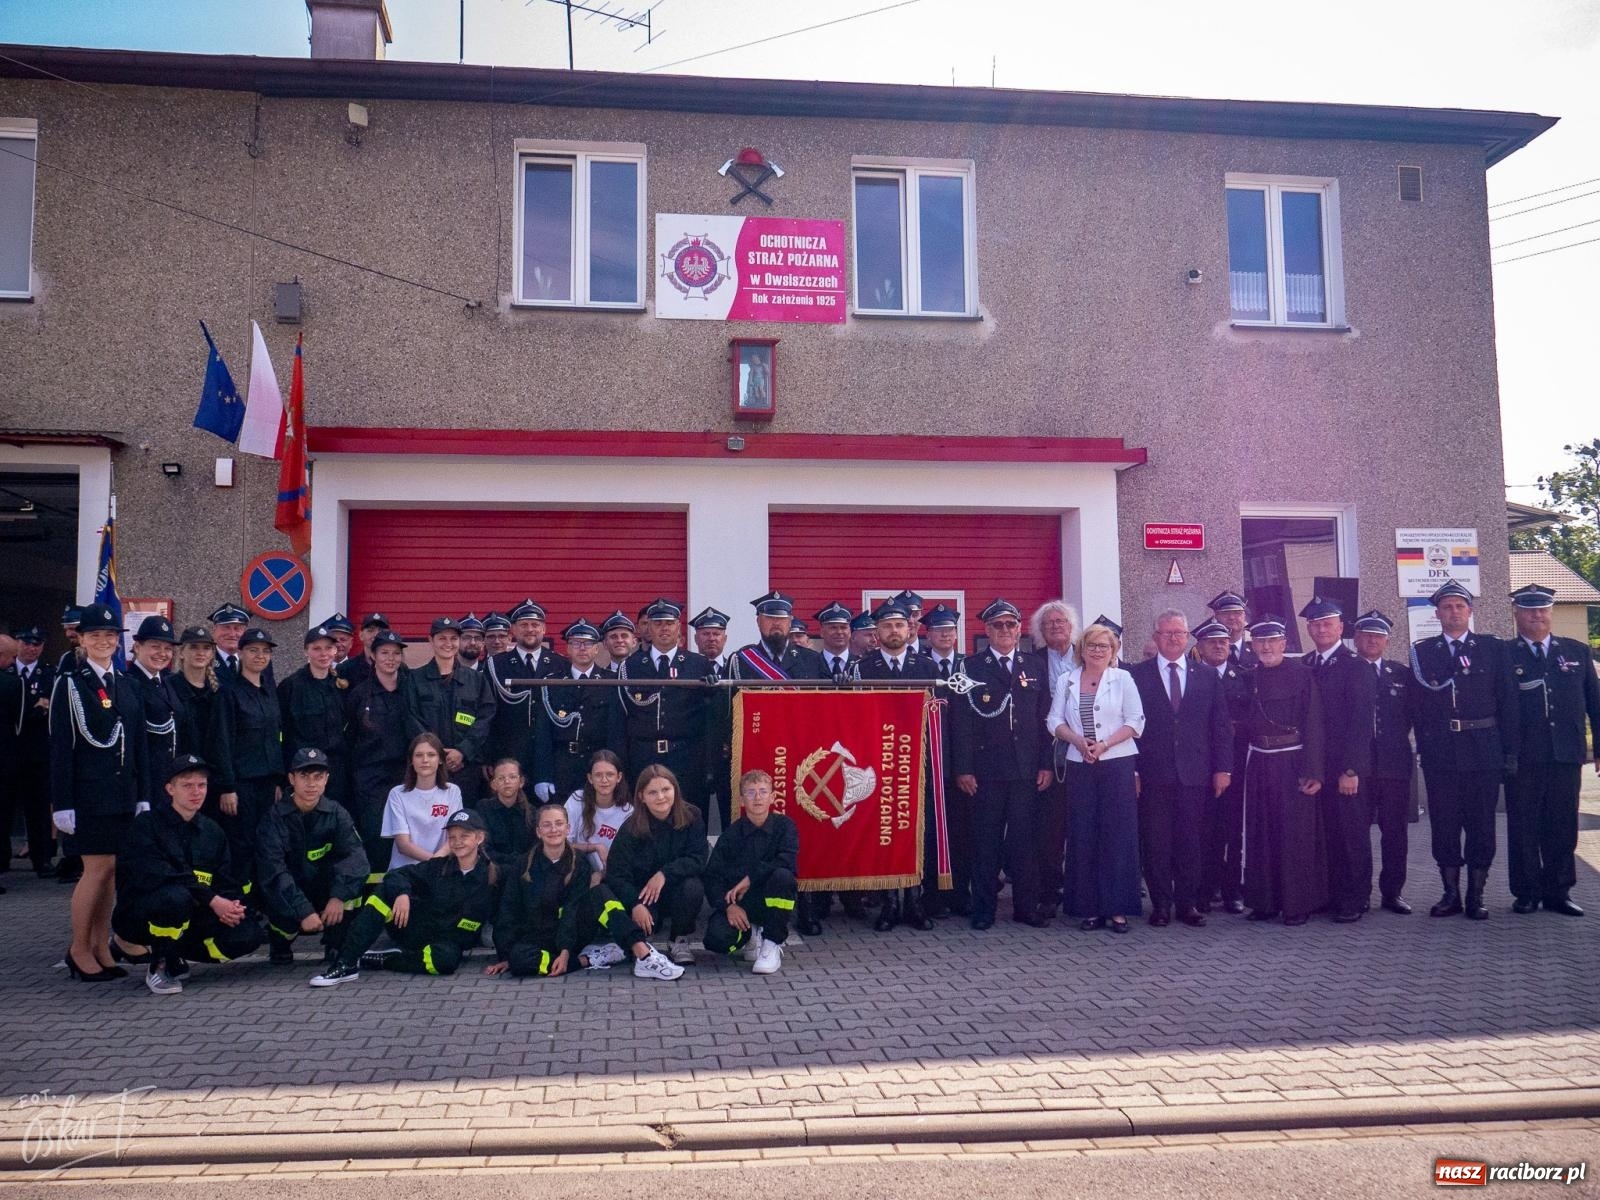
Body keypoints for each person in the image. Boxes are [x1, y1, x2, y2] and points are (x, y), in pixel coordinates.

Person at [50, 602, 150, 982]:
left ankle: (98, 946)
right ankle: (78, 948)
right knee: (95, 871)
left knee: (111, 874)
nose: (104, 642)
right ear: (82, 640)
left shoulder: (126, 685)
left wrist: (142, 794)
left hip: (123, 793)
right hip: (89, 795)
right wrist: (63, 803)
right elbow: (61, 747)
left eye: (110, 636)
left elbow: (137, 743)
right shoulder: (71, 685)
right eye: (96, 636)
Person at [1408, 579, 1518, 921]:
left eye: (1459, 606)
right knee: (1444, 824)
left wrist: (1509, 753)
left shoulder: (1493, 648)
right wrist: (1425, 749)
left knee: (1481, 824)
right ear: (1437, 614)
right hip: (1441, 754)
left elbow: (1508, 703)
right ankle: (1450, 893)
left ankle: (1476, 894)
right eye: (1447, 607)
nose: (1453, 612)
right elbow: (1416, 707)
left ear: (1470, 612)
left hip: (1483, 750)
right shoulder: (1423, 651)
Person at [112, 754, 264, 994]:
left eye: (201, 785)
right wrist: (213, 900)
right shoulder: (147, 825)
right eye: (187, 785)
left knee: (249, 933)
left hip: (194, 913)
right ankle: (159, 965)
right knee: (175, 898)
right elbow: (163, 876)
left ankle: (175, 953)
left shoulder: (213, 832)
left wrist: (232, 907)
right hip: (141, 914)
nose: (196, 792)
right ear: (170, 789)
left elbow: (225, 881)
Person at [484, 802, 683, 981]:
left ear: (568, 828)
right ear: (538, 831)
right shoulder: (523, 865)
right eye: (547, 824)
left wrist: (564, 950)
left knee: (600, 893)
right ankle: (586, 960)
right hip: (535, 939)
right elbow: (508, 911)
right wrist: (505, 956)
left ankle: (643, 953)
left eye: (559, 823)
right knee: (518, 961)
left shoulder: (578, 862)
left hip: (571, 935)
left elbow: (571, 910)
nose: (553, 829)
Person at [951, 599, 1053, 931]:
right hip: (986, 771)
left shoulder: (1034, 665)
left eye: (1011, 624)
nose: (1005, 630)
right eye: (998, 625)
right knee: (985, 842)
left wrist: (1046, 765)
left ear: (1020, 629)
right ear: (987, 630)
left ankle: (1026, 907)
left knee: (1025, 842)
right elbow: (961, 723)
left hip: (1026, 771)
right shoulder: (970, 667)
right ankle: (983, 909)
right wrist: (963, 768)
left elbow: (1043, 720)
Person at [309, 808, 497, 985]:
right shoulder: (437, 866)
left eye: (464, 836)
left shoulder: (494, 875)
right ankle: (346, 962)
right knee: (384, 892)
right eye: (453, 837)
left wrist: (505, 956)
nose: (457, 842)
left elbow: (507, 912)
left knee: (444, 963)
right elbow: (396, 875)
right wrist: (402, 894)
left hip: (448, 942)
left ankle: (388, 959)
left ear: (479, 838)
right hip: (416, 931)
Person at [1128, 609, 1232, 928]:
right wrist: (1132, 770)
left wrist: (1223, 769)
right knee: (1156, 842)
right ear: (1156, 637)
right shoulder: (1137, 675)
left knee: (1191, 841)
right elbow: (1129, 725)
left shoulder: (1206, 675)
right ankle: (1161, 905)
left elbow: (1220, 726)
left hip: (1195, 774)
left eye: (1179, 634)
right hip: (1152, 774)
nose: (1173, 639)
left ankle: (1188, 904)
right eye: (1167, 633)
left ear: (1188, 638)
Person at [1504, 584, 1600, 917]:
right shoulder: (1505, 655)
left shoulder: (1576, 651)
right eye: (1530, 610)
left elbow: (1595, 704)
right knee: (1524, 827)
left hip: (1566, 754)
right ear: (1517, 614)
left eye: (1543, 609)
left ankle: (1559, 892)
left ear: (1551, 612)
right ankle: (1527, 892)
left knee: (1562, 826)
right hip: (1523, 758)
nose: (1537, 616)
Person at [1047, 619, 1144, 932]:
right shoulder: (1067, 680)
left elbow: (1135, 722)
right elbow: (1054, 720)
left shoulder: (1123, 678)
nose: (1098, 650)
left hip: (1116, 763)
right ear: (1082, 650)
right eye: (1092, 645)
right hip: (1080, 763)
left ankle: (1117, 909)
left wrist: (1103, 745)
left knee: (1117, 836)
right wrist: (1078, 741)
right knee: (1083, 835)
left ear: (1113, 650)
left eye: (1104, 645)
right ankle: (1088, 908)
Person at [854, 597, 941, 931]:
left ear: (911, 629)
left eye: (900, 624)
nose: (894, 630)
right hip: (880, 763)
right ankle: (889, 903)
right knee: (885, 833)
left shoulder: (928, 668)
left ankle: (915, 902)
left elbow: (940, 722)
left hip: (918, 764)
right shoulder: (863, 669)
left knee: (918, 832)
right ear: (877, 632)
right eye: (887, 625)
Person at [1239, 617, 1327, 925]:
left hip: (1293, 763)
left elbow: (1314, 723)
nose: (1265, 647)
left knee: (1295, 838)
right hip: (1260, 762)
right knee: (1261, 834)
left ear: (1283, 643)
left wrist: (1314, 771)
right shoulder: (1249, 677)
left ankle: (1296, 905)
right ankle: (1264, 902)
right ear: (1253, 646)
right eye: (1259, 642)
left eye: (1271, 641)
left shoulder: (1303, 675)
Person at [1298, 596, 1376, 923]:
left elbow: (1360, 724)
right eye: (1315, 624)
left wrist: (1351, 770)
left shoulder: (1356, 666)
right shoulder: (1305, 665)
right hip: (1316, 768)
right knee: (1324, 835)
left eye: (1327, 623)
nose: (1321, 629)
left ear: (1341, 627)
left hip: (1344, 767)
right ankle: (1328, 895)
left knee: (1350, 834)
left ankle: (1354, 899)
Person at [255, 747, 369, 966]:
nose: (311, 784)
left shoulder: (337, 813)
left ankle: (336, 943)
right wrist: (304, 911)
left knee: (351, 886)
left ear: (326, 780)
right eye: (304, 776)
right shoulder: (274, 818)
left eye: (318, 777)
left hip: (323, 892)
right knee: (274, 892)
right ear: (291, 779)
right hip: (290, 890)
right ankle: (281, 941)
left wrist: (338, 896)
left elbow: (356, 858)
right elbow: (274, 871)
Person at [611, 599, 716, 823]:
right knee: (645, 821)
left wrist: (708, 765)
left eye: (669, 623)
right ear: (648, 628)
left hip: (687, 757)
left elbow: (710, 721)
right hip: (643, 756)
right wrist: (622, 766)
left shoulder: (698, 665)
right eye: (658, 623)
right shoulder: (630, 666)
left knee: (689, 818)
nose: (664, 628)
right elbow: (620, 720)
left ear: (679, 626)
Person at [603, 764, 707, 966]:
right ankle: (644, 938)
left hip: (677, 889)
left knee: (693, 887)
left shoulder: (693, 816)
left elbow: (698, 858)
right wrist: (635, 904)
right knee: (643, 927)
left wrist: (664, 874)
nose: (660, 797)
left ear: (675, 790)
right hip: (643, 895)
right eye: (653, 792)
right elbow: (616, 874)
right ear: (641, 796)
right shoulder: (630, 828)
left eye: (666, 790)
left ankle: (679, 939)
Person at [1350, 610, 1416, 914]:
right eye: (1366, 635)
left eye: (1378, 636)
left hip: (1394, 766)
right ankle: (1359, 892)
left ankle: (1392, 892)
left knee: (1395, 833)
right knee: (1356, 834)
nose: (1372, 640)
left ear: (1387, 641)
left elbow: (1416, 717)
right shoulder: (1345, 672)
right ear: (1356, 639)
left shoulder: (1401, 674)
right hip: (1358, 769)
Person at [703, 769, 799, 974]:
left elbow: (787, 860)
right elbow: (712, 877)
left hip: (771, 901)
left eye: (763, 791)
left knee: (783, 876)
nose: (757, 798)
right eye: (750, 792)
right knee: (716, 940)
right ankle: (750, 934)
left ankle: (772, 943)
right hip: (742, 905)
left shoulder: (785, 826)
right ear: (741, 800)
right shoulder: (731, 834)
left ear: (773, 797)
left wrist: (750, 878)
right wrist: (728, 906)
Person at [213, 628, 282, 884]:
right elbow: (222, 742)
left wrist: (278, 780)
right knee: (241, 848)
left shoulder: (269, 693)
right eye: (253, 650)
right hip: (241, 785)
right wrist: (227, 786)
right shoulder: (228, 693)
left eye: (265, 651)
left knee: (265, 845)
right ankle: (239, 909)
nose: (260, 656)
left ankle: (259, 905)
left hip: (267, 784)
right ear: (240, 653)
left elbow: (276, 739)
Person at [1191, 618, 1250, 914]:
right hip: (1200, 766)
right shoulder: (1193, 676)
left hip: (1236, 767)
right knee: (1204, 830)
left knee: (1233, 832)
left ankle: (1232, 890)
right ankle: (1206, 887)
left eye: (1224, 641)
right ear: (1200, 646)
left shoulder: (1244, 677)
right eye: (1212, 642)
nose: (1218, 646)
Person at [404, 616, 496, 806]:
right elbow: (411, 717)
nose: (448, 643)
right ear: (431, 641)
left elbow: (485, 719)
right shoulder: (415, 679)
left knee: (464, 823)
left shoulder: (476, 680)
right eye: (442, 638)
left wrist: (463, 751)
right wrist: (436, 754)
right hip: (428, 768)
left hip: (467, 768)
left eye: (453, 639)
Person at [345, 628, 411, 887]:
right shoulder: (359, 695)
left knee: (406, 837)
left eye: (396, 653)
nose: (391, 659)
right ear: (372, 655)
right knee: (375, 837)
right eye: (384, 653)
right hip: (370, 779)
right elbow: (349, 738)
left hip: (405, 776)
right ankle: (374, 897)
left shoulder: (410, 690)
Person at [532, 618, 621, 808]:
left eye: (588, 643)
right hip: (562, 766)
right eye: (576, 643)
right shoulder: (552, 682)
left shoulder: (611, 682)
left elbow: (615, 732)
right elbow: (543, 734)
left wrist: (614, 769)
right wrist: (543, 775)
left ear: (597, 649)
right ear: (568, 649)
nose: (582, 648)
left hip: (598, 765)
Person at [1029, 601, 1079, 915]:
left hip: (1086, 753)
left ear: (1072, 626)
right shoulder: (1031, 663)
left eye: (1061, 621)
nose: (1056, 626)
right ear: (1040, 631)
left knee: (1083, 825)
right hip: (1048, 757)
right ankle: (1050, 889)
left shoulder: (1090, 656)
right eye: (1049, 623)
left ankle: (1081, 889)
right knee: (1049, 828)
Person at [920, 603, 970, 917]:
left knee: (962, 831)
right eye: (939, 630)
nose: (945, 635)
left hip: (962, 764)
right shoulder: (921, 667)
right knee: (929, 832)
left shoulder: (969, 666)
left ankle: (960, 893)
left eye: (950, 630)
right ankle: (933, 896)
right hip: (928, 764)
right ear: (928, 634)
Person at [486, 600, 567, 782]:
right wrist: (488, 756)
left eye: (535, 625)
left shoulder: (561, 664)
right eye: (524, 625)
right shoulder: (496, 665)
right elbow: (488, 713)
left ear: (544, 629)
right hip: (509, 753)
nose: (530, 629)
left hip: (551, 754)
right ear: (513, 630)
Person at [278, 623, 349, 812]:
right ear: (306, 651)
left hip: (336, 772)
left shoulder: (341, 686)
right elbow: (281, 734)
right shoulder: (290, 686)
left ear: (335, 651)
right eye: (316, 648)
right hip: (304, 772)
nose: (323, 653)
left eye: (328, 648)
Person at [10, 625, 57, 878]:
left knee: (38, 809)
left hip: (37, 754)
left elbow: (50, 709)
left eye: (37, 644)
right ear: (17, 643)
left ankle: (43, 859)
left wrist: (37, 710)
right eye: (27, 643)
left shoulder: (49, 675)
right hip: (8, 753)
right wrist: (35, 707)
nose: (32, 648)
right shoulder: (6, 670)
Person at [381, 732, 462, 869]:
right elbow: (403, 845)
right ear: (411, 761)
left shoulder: (453, 792)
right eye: (419, 755)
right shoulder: (397, 794)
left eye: (431, 755)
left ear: (441, 760)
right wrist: (433, 863)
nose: (425, 760)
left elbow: (454, 837)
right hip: (404, 872)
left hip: (441, 871)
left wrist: (436, 866)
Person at [124, 616, 180, 814]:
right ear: (137, 647)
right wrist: (142, 793)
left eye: (167, 648)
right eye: (155, 646)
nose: (162, 654)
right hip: (144, 783)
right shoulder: (128, 683)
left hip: (168, 780)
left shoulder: (166, 681)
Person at [165, 626, 232, 783]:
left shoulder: (219, 691)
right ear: (181, 652)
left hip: (213, 777)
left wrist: (227, 784)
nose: (200, 653)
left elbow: (224, 741)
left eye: (206, 648)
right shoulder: (169, 687)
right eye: (194, 647)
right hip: (179, 775)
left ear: (212, 654)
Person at [565, 749, 633, 876]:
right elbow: (561, 844)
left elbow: (627, 858)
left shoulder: (627, 812)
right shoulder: (577, 799)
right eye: (598, 775)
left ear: (619, 777)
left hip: (611, 875)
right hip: (576, 869)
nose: (604, 780)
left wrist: (601, 875)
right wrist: (595, 847)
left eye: (610, 774)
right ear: (590, 778)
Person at [477, 757, 536, 872]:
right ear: (493, 784)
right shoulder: (483, 808)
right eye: (501, 778)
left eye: (512, 777)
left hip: (524, 870)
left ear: (521, 782)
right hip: (494, 869)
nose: (507, 781)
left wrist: (520, 864)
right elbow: (484, 846)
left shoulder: (532, 812)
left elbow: (534, 847)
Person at [337, 612, 390, 690]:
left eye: (381, 631)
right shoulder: (345, 669)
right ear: (361, 635)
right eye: (370, 630)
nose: (376, 635)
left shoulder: (397, 668)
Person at [1207, 591, 1256, 668]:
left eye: (1237, 613)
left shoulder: (1256, 650)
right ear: (1216, 617)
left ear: (1244, 616)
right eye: (1225, 613)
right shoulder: (1204, 650)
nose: (1231, 617)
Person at [814, 601, 856, 682]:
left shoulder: (861, 664)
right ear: (822, 632)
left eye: (843, 627)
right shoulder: (810, 665)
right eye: (833, 628)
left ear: (850, 632)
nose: (839, 632)